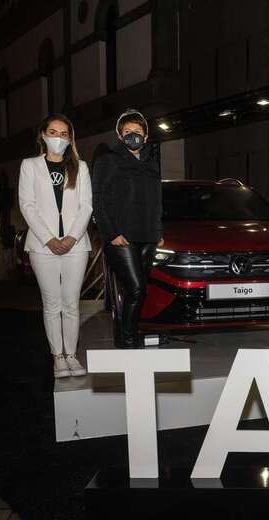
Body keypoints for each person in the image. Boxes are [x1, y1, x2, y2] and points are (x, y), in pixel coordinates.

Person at [18, 114, 92, 378]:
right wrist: (49, 239)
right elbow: (27, 205)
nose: (58, 138)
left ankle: (71, 354)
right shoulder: (30, 166)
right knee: (52, 304)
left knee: (71, 303)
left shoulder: (80, 167)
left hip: (76, 245)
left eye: (63, 134)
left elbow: (86, 206)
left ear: (70, 138)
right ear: (43, 135)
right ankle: (57, 357)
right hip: (42, 246)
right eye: (53, 132)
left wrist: (71, 237)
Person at [92, 109, 164, 348]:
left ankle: (125, 336)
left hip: (148, 235)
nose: (133, 135)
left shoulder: (151, 162)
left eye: (137, 131)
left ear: (146, 135)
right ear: (120, 136)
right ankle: (129, 342)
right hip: (121, 237)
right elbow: (99, 200)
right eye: (127, 131)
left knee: (138, 291)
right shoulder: (108, 160)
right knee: (135, 288)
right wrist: (110, 233)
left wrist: (158, 232)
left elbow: (156, 200)